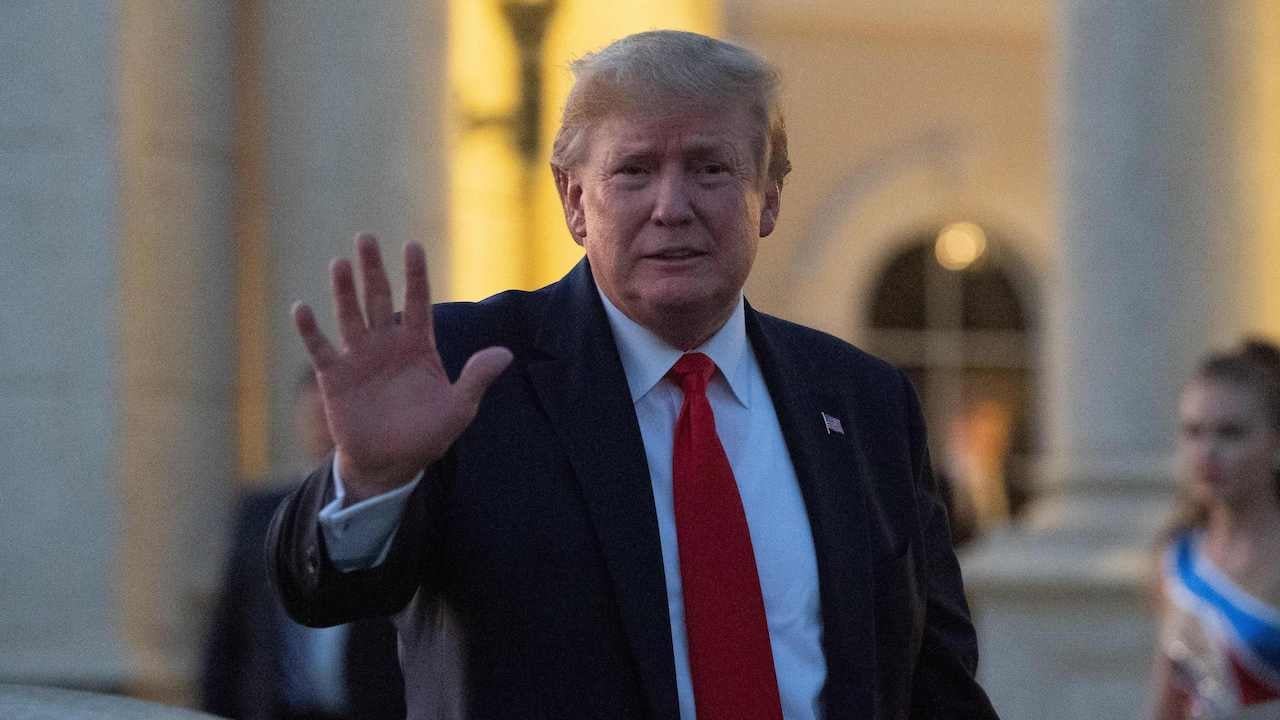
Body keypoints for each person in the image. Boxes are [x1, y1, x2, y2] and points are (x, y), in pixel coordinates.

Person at [268, 30, 997, 719]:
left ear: (768, 198)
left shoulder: (862, 401)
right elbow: (326, 592)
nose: (671, 208)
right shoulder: (466, 374)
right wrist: (371, 483)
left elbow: (935, 683)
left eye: (710, 169)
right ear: (574, 201)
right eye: (634, 171)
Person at [202, 369, 406, 720]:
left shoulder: (395, 510)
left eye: (332, 414)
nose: (322, 427)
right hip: (274, 710)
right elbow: (231, 625)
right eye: (314, 414)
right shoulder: (261, 512)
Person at [1147, 339, 1280, 719]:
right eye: (1193, 432)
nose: (1208, 452)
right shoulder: (1177, 557)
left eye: (1230, 433)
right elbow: (1166, 703)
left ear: (1274, 440)